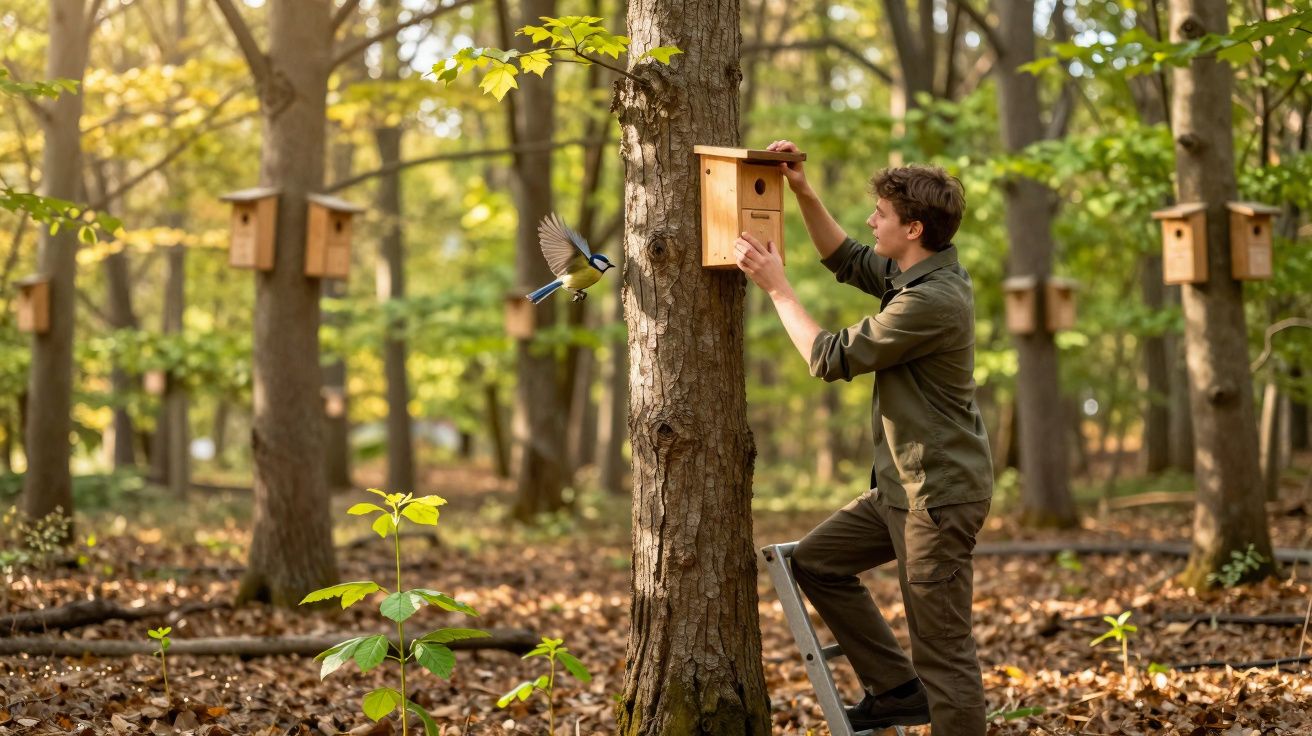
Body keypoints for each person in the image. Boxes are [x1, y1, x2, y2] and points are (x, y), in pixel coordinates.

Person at [734, 140, 993, 734]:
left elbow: (829, 358)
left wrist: (778, 288)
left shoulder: (932, 301)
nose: (871, 220)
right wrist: (801, 189)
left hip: (938, 498)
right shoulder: (918, 272)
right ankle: (898, 691)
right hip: (901, 490)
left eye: (881, 214)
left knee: (945, 656)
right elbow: (847, 258)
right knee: (819, 562)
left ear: (914, 227)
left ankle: (923, 693)